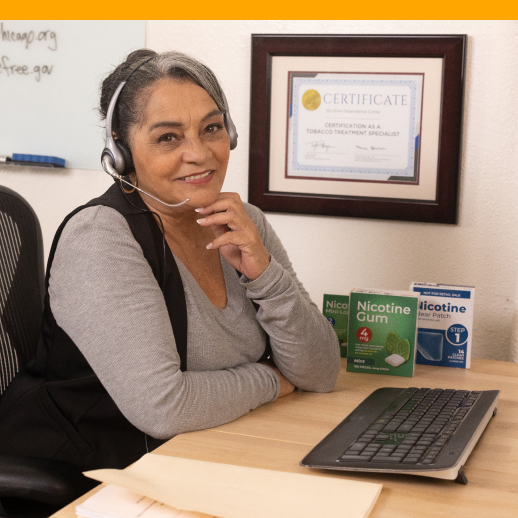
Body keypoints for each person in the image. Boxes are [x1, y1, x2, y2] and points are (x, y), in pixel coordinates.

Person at [0, 49, 340, 471]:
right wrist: (271, 378)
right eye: (168, 137)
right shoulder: (101, 238)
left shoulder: (242, 221)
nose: (200, 153)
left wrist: (265, 275)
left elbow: (321, 372)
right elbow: (164, 407)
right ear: (121, 154)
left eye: (212, 128)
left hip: (204, 454)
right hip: (94, 473)